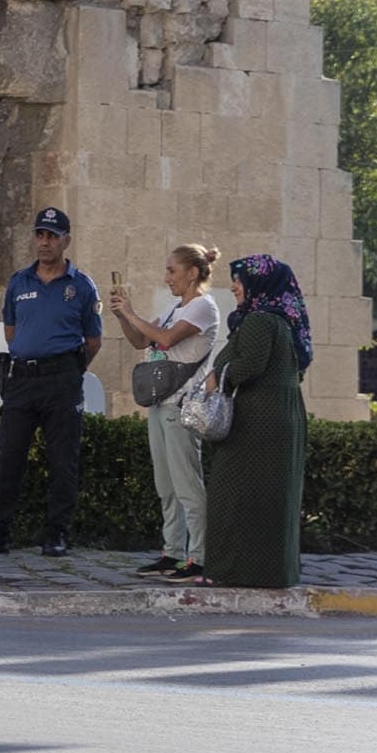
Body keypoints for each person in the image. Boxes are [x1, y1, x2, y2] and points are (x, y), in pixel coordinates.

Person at [0, 206, 102, 557]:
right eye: (40, 235)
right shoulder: (19, 282)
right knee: (10, 457)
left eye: (52, 236)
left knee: (63, 461)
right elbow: (13, 333)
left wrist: (67, 370)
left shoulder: (81, 286)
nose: (45, 243)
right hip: (22, 381)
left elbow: (93, 341)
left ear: (66, 241)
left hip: (62, 381)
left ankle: (56, 534)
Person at [108, 243, 221, 581]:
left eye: (172, 270)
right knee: (166, 486)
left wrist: (131, 313)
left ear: (192, 273)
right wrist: (120, 314)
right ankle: (171, 552)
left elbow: (167, 339)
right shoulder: (177, 307)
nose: (167, 276)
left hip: (182, 406)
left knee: (188, 485)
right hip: (161, 404)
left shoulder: (203, 307)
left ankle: (198, 557)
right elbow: (142, 341)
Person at [202, 255, 312, 588]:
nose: (234, 286)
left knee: (228, 494)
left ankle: (230, 572)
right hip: (280, 417)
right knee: (270, 500)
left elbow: (250, 364)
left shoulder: (260, 320)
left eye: (240, 280)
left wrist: (217, 376)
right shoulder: (283, 319)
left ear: (259, 284)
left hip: (258, 422)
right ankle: (269, 572)